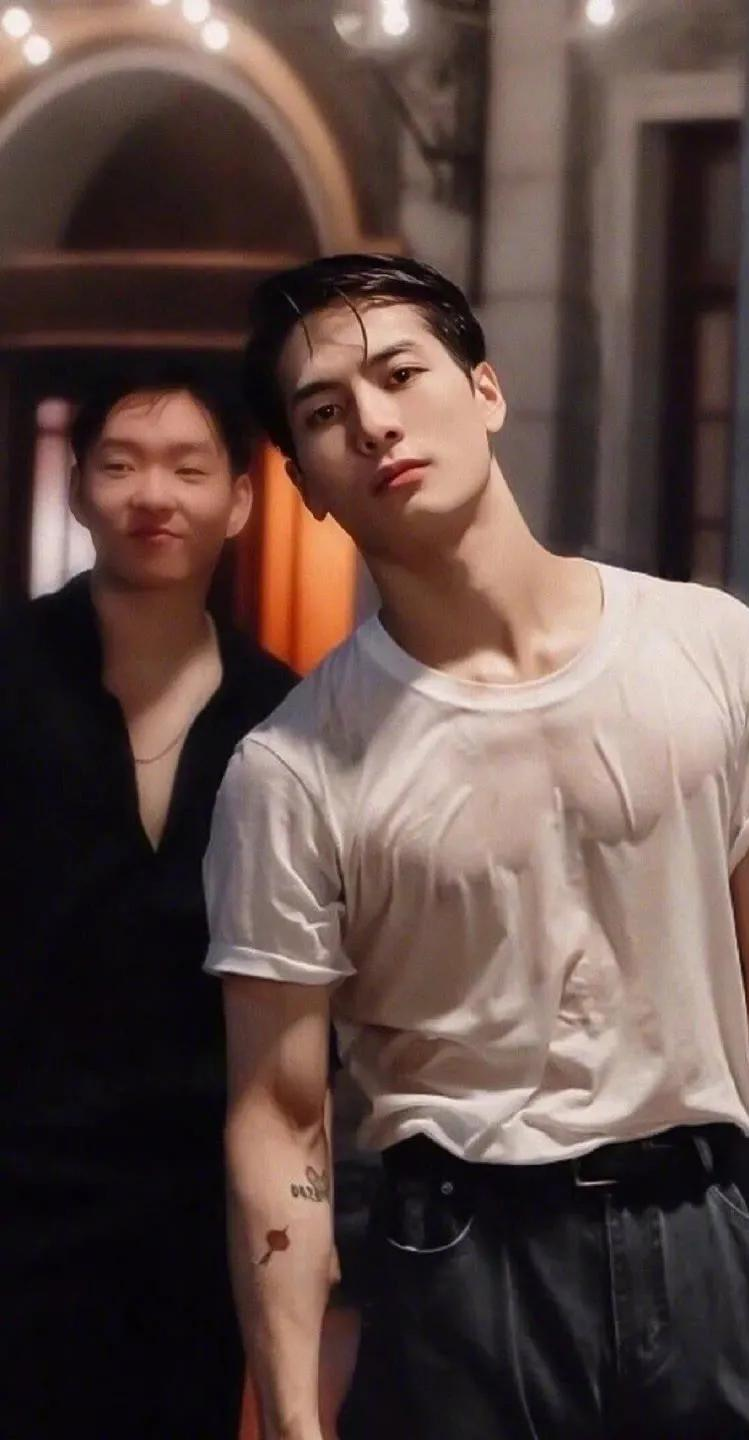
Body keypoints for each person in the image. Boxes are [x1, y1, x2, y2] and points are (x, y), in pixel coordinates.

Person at [204, 253, 749, 1440]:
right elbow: (279, 1115)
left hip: (705, 1229)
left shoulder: (710, 646)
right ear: (304, 483)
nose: (373, 422)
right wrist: (294, 1423)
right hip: (462, 1261)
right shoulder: (290, 769)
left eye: (399, 374)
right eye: (324, 412)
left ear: (487, 389)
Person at [1, 366, 295, 1438]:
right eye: (121, 466)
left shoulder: (285, 716)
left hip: (192, 1207)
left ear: (241, 500)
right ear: (80, 489)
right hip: (16, 1180)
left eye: (188, 468)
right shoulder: (12, 671)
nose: (153, 496)